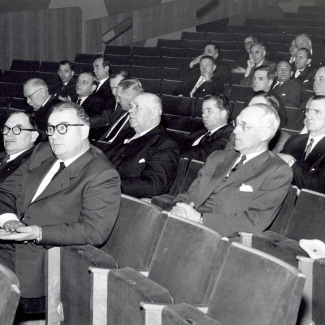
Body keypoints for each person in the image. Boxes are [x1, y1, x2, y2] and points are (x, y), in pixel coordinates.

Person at [0, 102, 121, 299]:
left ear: (84, 131)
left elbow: (94, 231)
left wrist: (38, 232)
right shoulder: (42, 152)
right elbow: (6, 190)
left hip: (39, 263)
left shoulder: (101, 173)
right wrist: (9, 220)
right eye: (51, 128)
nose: (54, 135)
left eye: (63, 127)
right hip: (8, 243)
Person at [170, 104, 293, 237]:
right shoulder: (217, 157)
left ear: (265, 134)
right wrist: (179, 207)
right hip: (186, 223)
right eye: (236, 124)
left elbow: (254, 219)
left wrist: (200, 219)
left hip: (222, 237)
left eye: (244, 125)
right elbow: (190, 194)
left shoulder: (277, 171)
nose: (235, 131)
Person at [107, 93, 180, 198]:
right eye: (131, 106)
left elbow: (154, 185)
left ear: (154, 113)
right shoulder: (126, 133)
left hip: (123, 200)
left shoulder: (165, 144)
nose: (130, 111)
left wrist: (107, 185)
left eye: (137, 107)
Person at [279, 95, 325, 193]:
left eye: (317, 112)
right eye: (308, 111)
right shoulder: (294, 140)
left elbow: (318, 185)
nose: (309, 116)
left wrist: (291, 162)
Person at [180, 93, 234, 161]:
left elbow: (203, 154)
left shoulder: (230, 134)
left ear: (223, 113)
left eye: (209, 111)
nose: (203, 115)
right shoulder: (200, 131)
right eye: (203, 111)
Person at [95, 78, 143, 152]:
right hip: (101, 147)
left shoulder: (140, 119)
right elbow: (106, 118)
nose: (117, 100)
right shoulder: (122, 109)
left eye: (119, 97)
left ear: (130, 96)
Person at [0, 112, 39, 183]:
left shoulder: (29, 167)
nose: (8, 133)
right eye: (6, 128)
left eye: (17, 129)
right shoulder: (3, 156)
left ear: (33, 136)